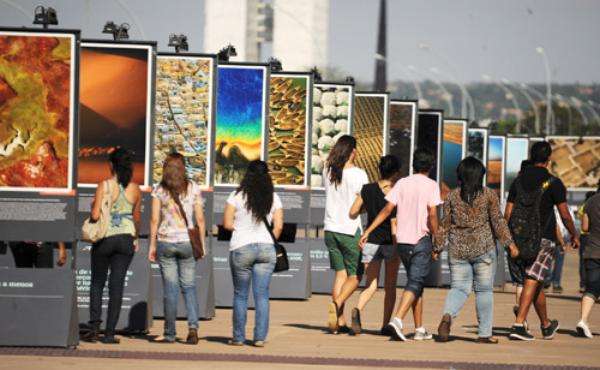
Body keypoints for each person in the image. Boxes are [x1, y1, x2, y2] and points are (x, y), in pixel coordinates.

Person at [359, 148, 441, 341]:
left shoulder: (402, 183)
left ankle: (419, 328)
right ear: (431, 165)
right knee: (415, 282)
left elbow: (387, 210)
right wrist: (437, 239)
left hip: (402, 243)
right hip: (421, 240)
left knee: (416, 282)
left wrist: (368, 231)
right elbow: (432, 214)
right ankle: (397, 321)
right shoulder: (431, 185)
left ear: (413, 164)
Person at [435, 157, 519, 344]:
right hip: (484, 250)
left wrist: (437, 247)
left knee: (458, 288)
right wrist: (510, 244)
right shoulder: (489, 195)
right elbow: (498, 221)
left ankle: (448, 315)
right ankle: (484, 334)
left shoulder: (451, 196)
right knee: (484, 291)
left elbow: (444, 224)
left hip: (458, 250)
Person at [505, 141, 579, 341]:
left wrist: (508, 238)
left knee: (534, 280)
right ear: (548, 159)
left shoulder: (518, 181)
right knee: (533, 278)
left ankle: (546, 325)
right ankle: (519, 324)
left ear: (531, 156)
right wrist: (574, 234)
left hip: (519, 238)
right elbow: (564, 214)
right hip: (543, 239)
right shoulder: (553, 183)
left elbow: (508, 212)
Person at [82, 148, 142, 344]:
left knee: (97, 283)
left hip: (105, 238)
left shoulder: (104, 185)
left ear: (111, 165)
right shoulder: (135, 188)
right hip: (126, 238)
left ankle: (94, 327)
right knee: (117, 286)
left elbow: (95, 216)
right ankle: (109, 334)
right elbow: (137, 218)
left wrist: (93, 205)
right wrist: (135, 238)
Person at [223, 160, 283, 347]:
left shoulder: (236, 196)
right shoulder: (273, 197)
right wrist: (267, 238)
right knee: (262, 295)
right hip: (266, 248)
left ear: (247, 174)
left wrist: (241, 231)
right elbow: (279, 226)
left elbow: (226, 224)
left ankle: (239, 338)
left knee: (240, 295)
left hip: (241, 247)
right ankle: (259, 338)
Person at [149, 153, 206, 344]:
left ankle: (170, 333)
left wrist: (152, 245)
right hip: (187, 243)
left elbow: (155, 220)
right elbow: (200, 219)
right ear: (183, 169)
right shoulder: (192, 188)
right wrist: (202, 245)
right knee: (189, 287)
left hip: (166, 241)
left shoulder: (159, 189)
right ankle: (193, 328)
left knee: (170, 289)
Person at [348, 155, 400, 336]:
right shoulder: (397, 192)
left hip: (371, 242)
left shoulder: (367, 189)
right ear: (396, 172)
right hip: (390, 243)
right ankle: (386, 324)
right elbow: (395, 221)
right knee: (390, 286)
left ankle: (357, 309)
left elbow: (353, 212)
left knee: (371, 285)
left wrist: (368, 207)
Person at [323, 135, 369, 334]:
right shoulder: (359, 174)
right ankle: (338, 302)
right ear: (353, 151)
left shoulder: (328, 170)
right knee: (356, 275)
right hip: (349, 230)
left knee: (340, 274)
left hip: (330, 229)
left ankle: (339, 322)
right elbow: (360, 206)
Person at [576, 191, 600, 338]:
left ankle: (583, 320)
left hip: (593, 250)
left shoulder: (590, 202)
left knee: (591, 288)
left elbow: (585, 227)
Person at [577, 191, 596, 293]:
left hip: (584, 236)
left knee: (583, 261)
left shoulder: (584, 206)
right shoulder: (593, 204)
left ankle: (583, 284)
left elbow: (580, 218)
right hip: (593, 235)